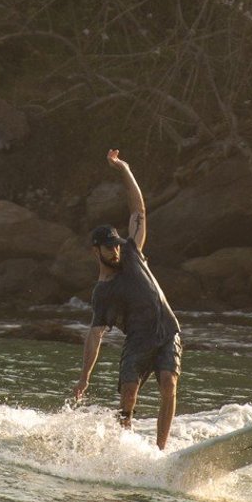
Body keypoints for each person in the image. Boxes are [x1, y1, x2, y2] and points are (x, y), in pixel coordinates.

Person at [72, 148, 182, 449]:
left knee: (168, 384)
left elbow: (138, 210)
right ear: (96, 251)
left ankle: (161, 450)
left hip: (166, 329)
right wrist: (84, 378)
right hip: (138, 340)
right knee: (129, 393)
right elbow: (95, 336)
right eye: (108, 248)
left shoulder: (132, 253)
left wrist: (124, 168)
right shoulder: (102, 292)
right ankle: (124, 443)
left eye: (116, 245)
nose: (115, 251)